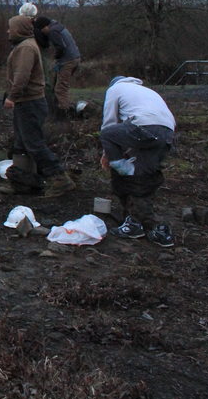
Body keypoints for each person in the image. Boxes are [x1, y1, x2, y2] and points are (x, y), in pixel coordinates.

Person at [0, 14, 73, 197]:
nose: (8, 31)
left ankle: (59, 178)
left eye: (11, 27)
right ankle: (23, 182)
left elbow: (22, 76)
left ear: (19, 29)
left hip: (30, 102)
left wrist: (12, 97)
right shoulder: (25, 45)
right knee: (21, 144)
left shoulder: (26, 48)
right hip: (26, 102)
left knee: (34, 144)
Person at [100, 76, 177, 247]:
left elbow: (110, 124)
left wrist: (109, 155)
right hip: (167, 132)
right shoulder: (146, 91)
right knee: (144, 174)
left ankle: (122, 168)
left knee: (107, 135)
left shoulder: (115, 89)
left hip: (144, 126)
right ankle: (140, 223)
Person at [33, 16, 82, 117]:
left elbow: (61, 47)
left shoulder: (53, 31)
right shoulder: (58, 26)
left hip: (68, 61)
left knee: (60, 89)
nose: (43, 33)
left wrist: (56, 57)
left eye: (42, 30)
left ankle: (67, 113)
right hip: (75, 58)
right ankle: (65, 107)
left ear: (45, 27)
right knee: (61, 85)